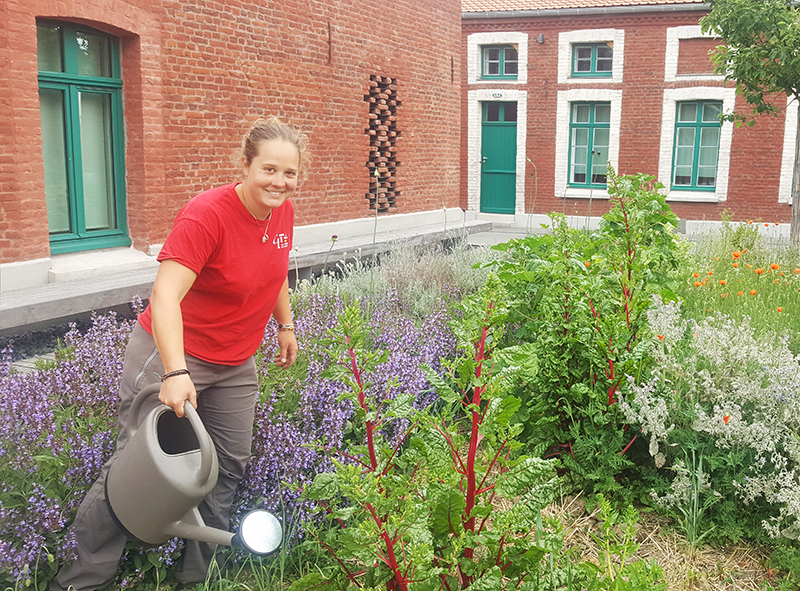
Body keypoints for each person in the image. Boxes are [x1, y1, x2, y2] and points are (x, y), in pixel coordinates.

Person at [52, 116, 303, 590]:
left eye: (289, 174)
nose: (279, 182)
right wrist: (175, 370)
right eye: (269, 169)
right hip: (173, 353)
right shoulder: (206, 215)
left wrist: (285, 325)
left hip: (236, 362)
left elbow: (275, 269)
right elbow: (164, 296)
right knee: (140, 467)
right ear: (246, 165)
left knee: (225, 465)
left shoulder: (282, 212)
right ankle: (81, 580)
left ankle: (195, 578)